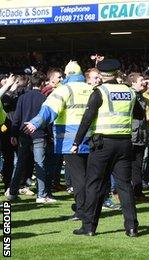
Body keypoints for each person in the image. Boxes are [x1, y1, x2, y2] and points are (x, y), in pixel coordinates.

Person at [70, 59, 143, 237]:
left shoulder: (99, 92)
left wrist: (76, 142)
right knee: (124, 185)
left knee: (94, 184)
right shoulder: (130, 92)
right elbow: (140, 114)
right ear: (117, 73)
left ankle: (88, 227)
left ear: (101, 75)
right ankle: (132, 227)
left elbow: (87, 118)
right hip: (125, 143)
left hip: (103, 144)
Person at [25, 62, 94, 220]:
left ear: (67, 74)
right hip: (91, 138)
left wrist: (34, 123)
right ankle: (90, 207)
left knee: (77, 178)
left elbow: (49, 110)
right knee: (90, 176)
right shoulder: (91, 89)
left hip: (70, 140)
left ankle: (82, 210)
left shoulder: (64, 89)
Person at [7, 72, 54, 203]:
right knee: (40, 164)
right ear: (43, 83)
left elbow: (16, 118)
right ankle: (41, 195)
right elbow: (47, 119)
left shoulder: (22, 98)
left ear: (30, 83)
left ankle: (12, 192)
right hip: (39, 134)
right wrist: (50, 136)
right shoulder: (44, 98)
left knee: (20, 164)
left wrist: (13, 134)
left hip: (23, 134)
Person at [127, 73, 149, 201]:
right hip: (132, 136)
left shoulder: (140, 96)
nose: (144, 82)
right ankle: (132, 192)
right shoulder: (131, 95)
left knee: (137, 166)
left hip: (140, 136)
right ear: (133, 83)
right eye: (141, 80)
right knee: (130, 166)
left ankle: (137, 191)